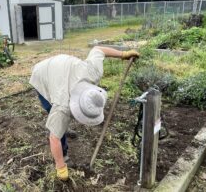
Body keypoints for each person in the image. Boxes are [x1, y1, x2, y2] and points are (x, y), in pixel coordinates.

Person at [29, 46, 140, 181]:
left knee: (60, 121)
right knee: (55, 124)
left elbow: (99, 49)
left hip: (63, 67)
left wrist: (123, 54)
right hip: (42, 73)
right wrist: (61, 167)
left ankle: (62, 127)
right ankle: (63, 153)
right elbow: (54, 139)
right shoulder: (62, 106)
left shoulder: (93, 72)